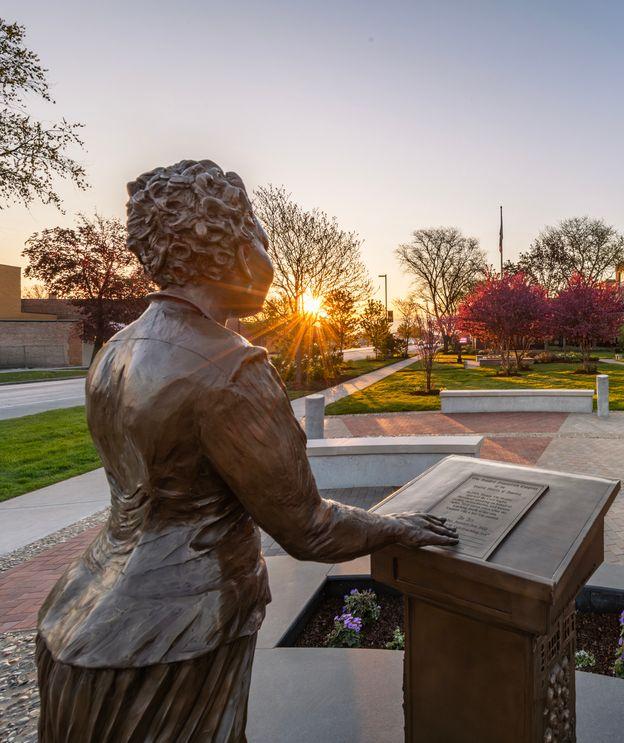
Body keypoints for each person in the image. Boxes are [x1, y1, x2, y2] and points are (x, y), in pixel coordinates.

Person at [35, 160, 456, 742]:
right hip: (175, 637)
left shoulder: (114, 350)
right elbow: (310, 530)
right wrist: (396, 527)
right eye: (257, 232)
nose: (268, 254)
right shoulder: (231, 368)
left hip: (78, 615)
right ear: (226, 246)